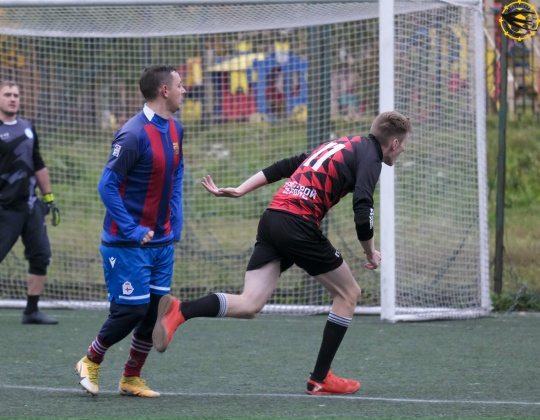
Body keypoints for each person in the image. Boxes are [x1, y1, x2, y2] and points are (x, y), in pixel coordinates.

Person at [153, 110, 412, 395]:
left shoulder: (341, 144)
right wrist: (370, 252)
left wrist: (241, 189)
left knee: (250, 304)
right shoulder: (371, 157)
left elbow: (286, 165)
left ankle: (181, 310)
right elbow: (363, 207)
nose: (402, 151)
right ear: (394, 143)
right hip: (298, 224)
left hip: (273, 219)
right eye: (403, 145)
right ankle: (320, 378)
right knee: (349, 293)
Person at [75, 65, 186, 398]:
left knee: (153, 311)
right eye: (180, 85)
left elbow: (177, 174)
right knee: (131, 310)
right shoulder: (133, 134)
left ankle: (131, 378)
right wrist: (132, 229)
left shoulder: (176, 129)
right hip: (126, 243)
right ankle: (90, 360)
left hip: (162, 241)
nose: (184, 90)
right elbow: (106, 185)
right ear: (164, 91)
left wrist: (176, 219)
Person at [0, 81, 61, 325]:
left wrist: (49, 198)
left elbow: (38, 163)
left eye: (16, 94)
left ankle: (31, 311)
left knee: (41, 255)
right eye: (7, 94)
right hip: (5, 208)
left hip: (31, 205)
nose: (12, 98)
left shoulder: (27, 127)